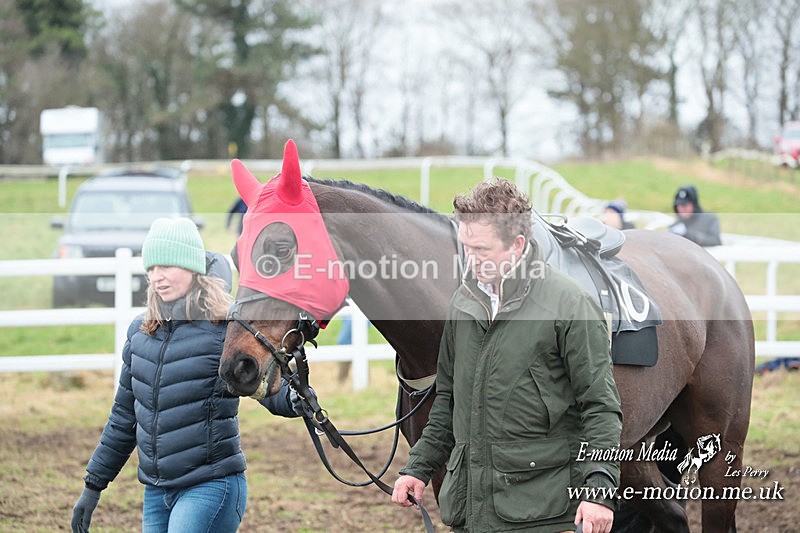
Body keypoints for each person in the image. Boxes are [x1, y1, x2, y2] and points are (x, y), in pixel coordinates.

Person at [391, 179, 623, 533]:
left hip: (544, 514)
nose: (471, 259)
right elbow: (448, 403)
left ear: (517, 245)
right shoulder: (462, 303)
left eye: (481, 249)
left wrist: (599, 490)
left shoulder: (570, 304)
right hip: (472, 512)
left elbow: (600, 407)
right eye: (466, 247)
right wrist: (418, 468)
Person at [71, 217, 299, 533]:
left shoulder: (224, 332)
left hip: (212, 486)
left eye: (167, 266)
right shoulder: (140, 333)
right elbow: (124, 418)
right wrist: (93, 485)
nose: (157, 276)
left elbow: (266, 388)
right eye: (152, 268)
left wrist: (295, 398)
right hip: (156, 491)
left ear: (192, 268)